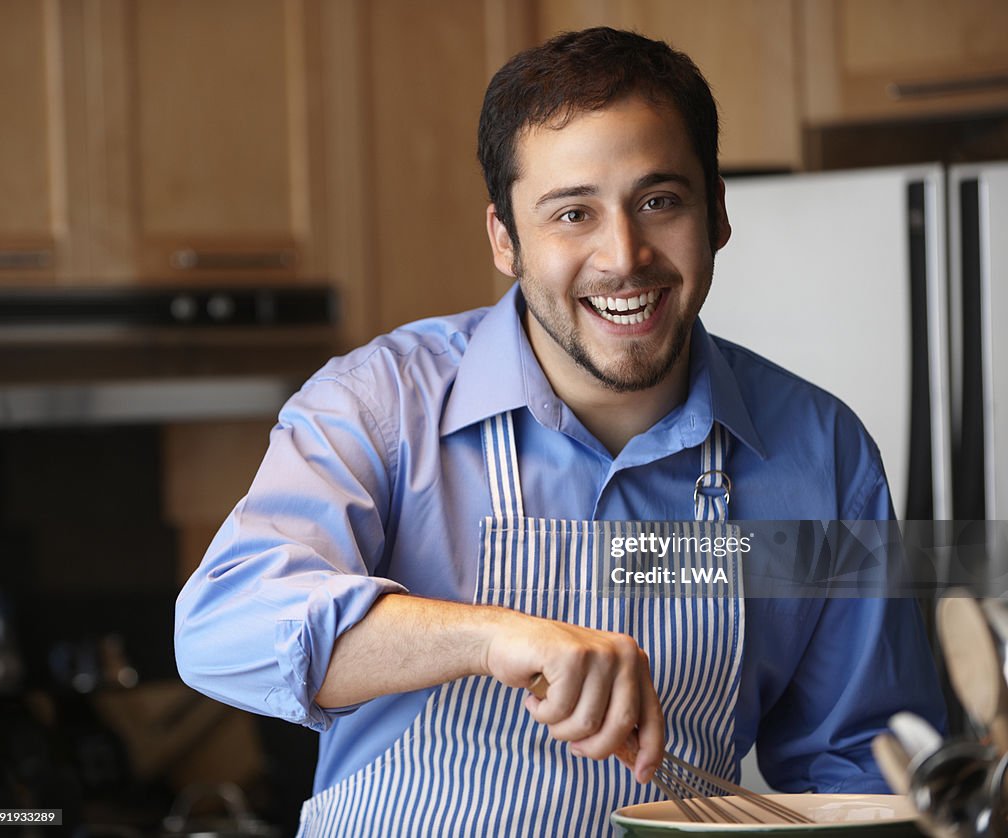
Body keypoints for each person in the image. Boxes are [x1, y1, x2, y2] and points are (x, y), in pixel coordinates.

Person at [175, 27, 945, 836]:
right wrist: (492, 637)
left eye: (659, 201)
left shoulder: (820, 454)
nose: (624, 255)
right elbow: (222, 627)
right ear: (505, 240)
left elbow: (861, 764)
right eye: (572, 213)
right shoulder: (380, 406)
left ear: (716, 213)